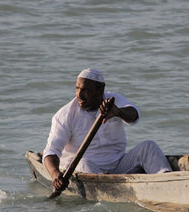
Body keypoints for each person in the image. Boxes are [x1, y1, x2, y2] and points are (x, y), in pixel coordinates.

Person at [42, 68, 172, 192]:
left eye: (85, 90)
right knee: (85, 162)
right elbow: (51, 151)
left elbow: (134, 116)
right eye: (77, 88)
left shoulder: (113, 101)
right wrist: (54, 174)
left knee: (148, 146)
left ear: (100, 91)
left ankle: (167, 182)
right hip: (86, 170)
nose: (79, 95)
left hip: (117, 166)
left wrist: (118, 112)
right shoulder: (65, 115)